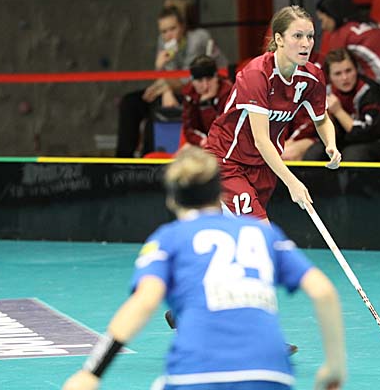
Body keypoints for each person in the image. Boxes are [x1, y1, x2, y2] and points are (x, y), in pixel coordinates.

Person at [61, 147, 347, 390]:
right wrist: (333, 366)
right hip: (271, 372)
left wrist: (91, 373)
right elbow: (323, 292)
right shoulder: (263, 233)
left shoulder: (169, 238)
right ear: (219, 191)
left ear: (172, 199)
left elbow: (143, 303)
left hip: (197, 372)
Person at [205, 5, 342, 222]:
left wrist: (330, 144)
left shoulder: (312, 76)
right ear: (279, 39)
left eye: (310, 36)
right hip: (229, 160)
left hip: (264, 165)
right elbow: (261, 140)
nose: (306, 43)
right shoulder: (257, 74)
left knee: (242, 231)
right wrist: (292, 182)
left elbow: (321, 118)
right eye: (297, 36)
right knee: (260, 231)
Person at [116, 5, 228, 157]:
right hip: (172, 88)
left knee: (158, 108)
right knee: (130, 102)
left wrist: (164, 81)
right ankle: (123, 159)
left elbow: (188, 81)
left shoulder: (197, 39)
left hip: (202, 90)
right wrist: (163, 80)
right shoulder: (163, 42)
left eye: (172, 29)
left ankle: (147, 160)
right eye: (164, 31)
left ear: (183, 27)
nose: (168, 35)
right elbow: (165, 77)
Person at [304, 48, 380, 162]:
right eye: (338, 74)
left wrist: (338, 112)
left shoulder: (371, 93)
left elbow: (364, 134)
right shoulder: (327, 93)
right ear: (329, 77)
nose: (344, 78)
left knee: (354, 154)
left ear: (356, 70)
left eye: (348, 71)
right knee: (316, 152)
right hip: (357, 141)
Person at [180, 55, 233, 149]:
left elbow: (223, 127)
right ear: (192, 81)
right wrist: (202, 141)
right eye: (200, 81)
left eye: (209, 79)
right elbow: (189, 129)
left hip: (226, 142)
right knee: (184, 152)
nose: (205, 85)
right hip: (203, 143)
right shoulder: (190, 94)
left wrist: (205, 105)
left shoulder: (228, 92)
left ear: (216, 78)